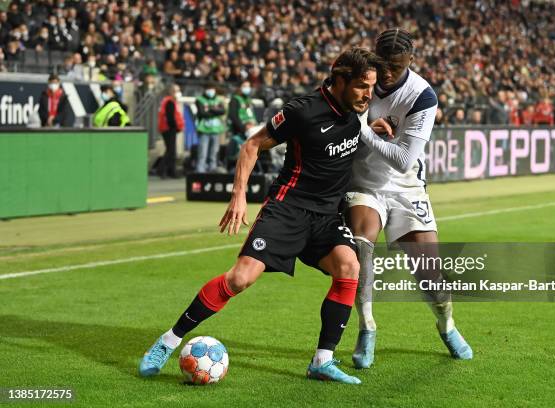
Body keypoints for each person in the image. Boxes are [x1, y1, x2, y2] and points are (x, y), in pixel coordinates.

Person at [139, 48, 386, 385]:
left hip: (327, 215)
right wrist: (238, 195)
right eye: (361, 86)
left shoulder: (356, 110)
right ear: (339, 80)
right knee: (240, 279)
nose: (368, 94)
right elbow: (252, 145)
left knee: (349, 268)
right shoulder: (303, 111)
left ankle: (322, 360)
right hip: (288, 209)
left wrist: (371, 127)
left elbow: (347, 134)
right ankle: (167, 341)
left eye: (371, 87)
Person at [346, 28, 473, 369]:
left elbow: (403, 159)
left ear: (410, 62)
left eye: (397, 67)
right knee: (362, 244)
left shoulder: (422, 96)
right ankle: (367, 328)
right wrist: (360, 130)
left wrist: (363, 131)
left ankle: (446, 324)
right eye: (384, 64)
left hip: (405, 186)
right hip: (363, 183)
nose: (388, 72)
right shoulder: (360, 81)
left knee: (430, 274)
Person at [226, 81, 257, 170]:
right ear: (239, 87)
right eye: (244, 86)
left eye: (249, 86)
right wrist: (243, 128)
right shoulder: (235, 99)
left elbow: (252, 115)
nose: (247, 88)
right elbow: (233, 116)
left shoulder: (248, 100)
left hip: (251, 129)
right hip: (240, 131)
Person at [195, 85, 225, 173]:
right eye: (209, 89)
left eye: (212, 89)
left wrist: (210, 110)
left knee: (214, 152)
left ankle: (212, 168)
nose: (211, 91)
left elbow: (223, 111)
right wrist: (215, 111)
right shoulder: (200, 99)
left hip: (215, 129)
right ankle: (200, 169)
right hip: (204, 129)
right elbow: (202, 113)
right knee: (202, 152)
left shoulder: (218, 100)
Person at [157, 84, 184, 179]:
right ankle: (163, 170)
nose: (179, 93)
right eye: (177, 90)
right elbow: (170, 118)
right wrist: (176, 127)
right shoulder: (170, 102)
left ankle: (169, 170)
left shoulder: (169, 101)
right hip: (169, 129)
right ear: (172, 92)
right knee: (170, 151)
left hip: (167, 128)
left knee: (170, 150)